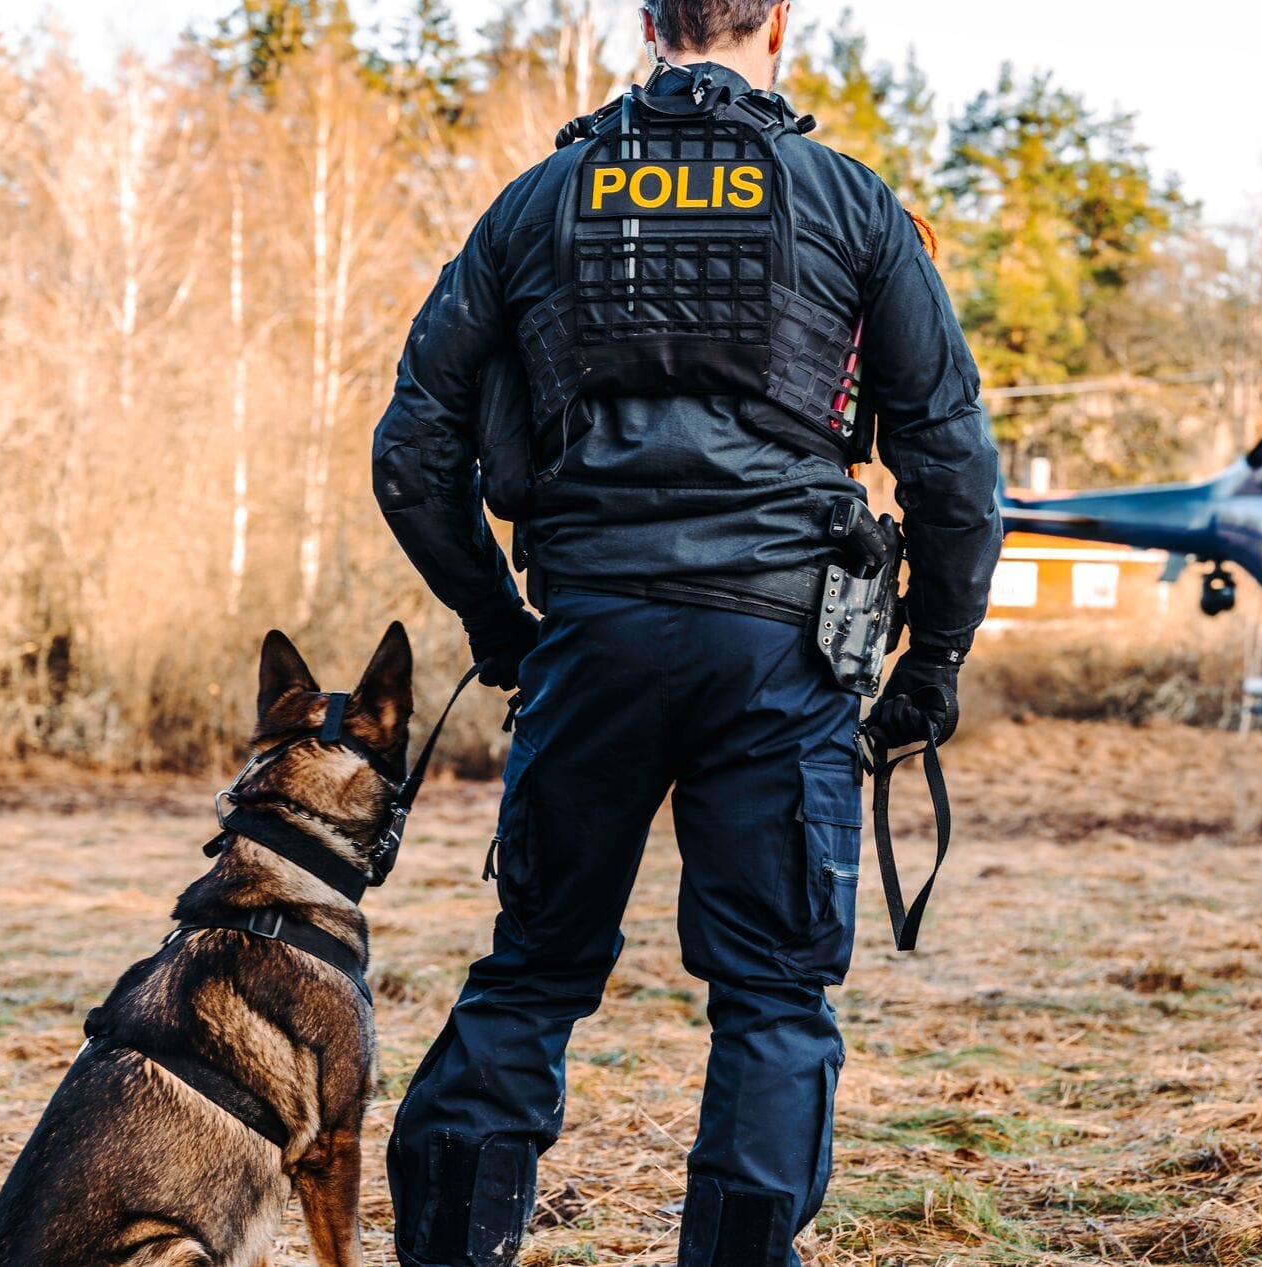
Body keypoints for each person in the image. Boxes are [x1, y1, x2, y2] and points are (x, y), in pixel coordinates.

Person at [369, 1, 1001, 1263]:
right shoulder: (853, 205)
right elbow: (953, 467)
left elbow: (413, 450)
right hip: (781, 649)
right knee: (772, 996)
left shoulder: (539, 201)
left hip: (591, 634)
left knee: (535, 969)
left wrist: (504, 624)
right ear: (779, 23)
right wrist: (932, 661)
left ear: (649, 22)